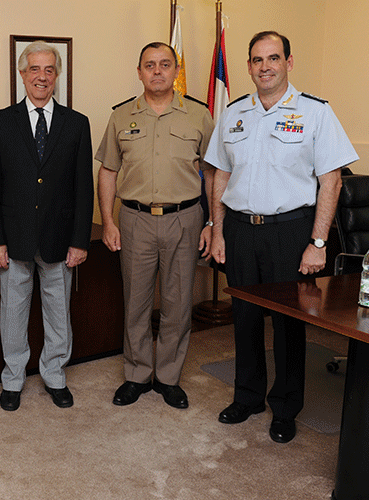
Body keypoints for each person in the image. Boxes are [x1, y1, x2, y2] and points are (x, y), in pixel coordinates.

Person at [205, 31, 358, 443]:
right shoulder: (234, 113)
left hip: (291, 231)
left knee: (290, 325)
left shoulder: (316, 113)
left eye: (273, 58)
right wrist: (217, 230)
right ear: (249, 66)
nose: (265, 66)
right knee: (245, 318)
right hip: (239, 230)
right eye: (257, 60)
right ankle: (249, 396)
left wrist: (319, 242)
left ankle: (286, 407)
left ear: (289, 62)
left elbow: (332, 182)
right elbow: (220, 174)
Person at [96, 42, 215, 410]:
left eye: (165, 65)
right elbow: (108, 171)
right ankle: (136, 374)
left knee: (178, 302)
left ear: (176, 70)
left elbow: (213, 172)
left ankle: (168, 377)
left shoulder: (198, 115)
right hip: (134, 220)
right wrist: (108, 221)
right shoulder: (120, 116)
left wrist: (212, 222)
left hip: (185, 218)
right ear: (139, 72)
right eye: (150, 65)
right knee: (136, 301)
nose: (158, 71)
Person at [0, 41, 93, 411]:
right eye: (34, 69)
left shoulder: (77, 124)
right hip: (13, 240)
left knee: (58, 313)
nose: (41, 76)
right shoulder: (1, 121)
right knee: (12, 313)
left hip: (60, 239)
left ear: (56, 74)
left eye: (49, 70)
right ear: (22, 73)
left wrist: (80, 240)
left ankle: (55, 376)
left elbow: (83, 187)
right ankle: (12, 380)